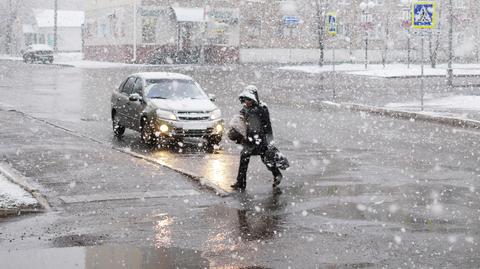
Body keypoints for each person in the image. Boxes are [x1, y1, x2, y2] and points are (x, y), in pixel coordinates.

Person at [231, 85, 283, 191]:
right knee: (244, 160)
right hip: (249, 140)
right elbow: (240, 123)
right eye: (245, 100)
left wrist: (270, 142)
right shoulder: (244, 109)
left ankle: (277, 175)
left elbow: (267, 126)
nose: (247, 102)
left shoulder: (262, 109)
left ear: (254, 98)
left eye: (249, 100)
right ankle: (240, 183)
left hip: (261, 141)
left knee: (267, 159)